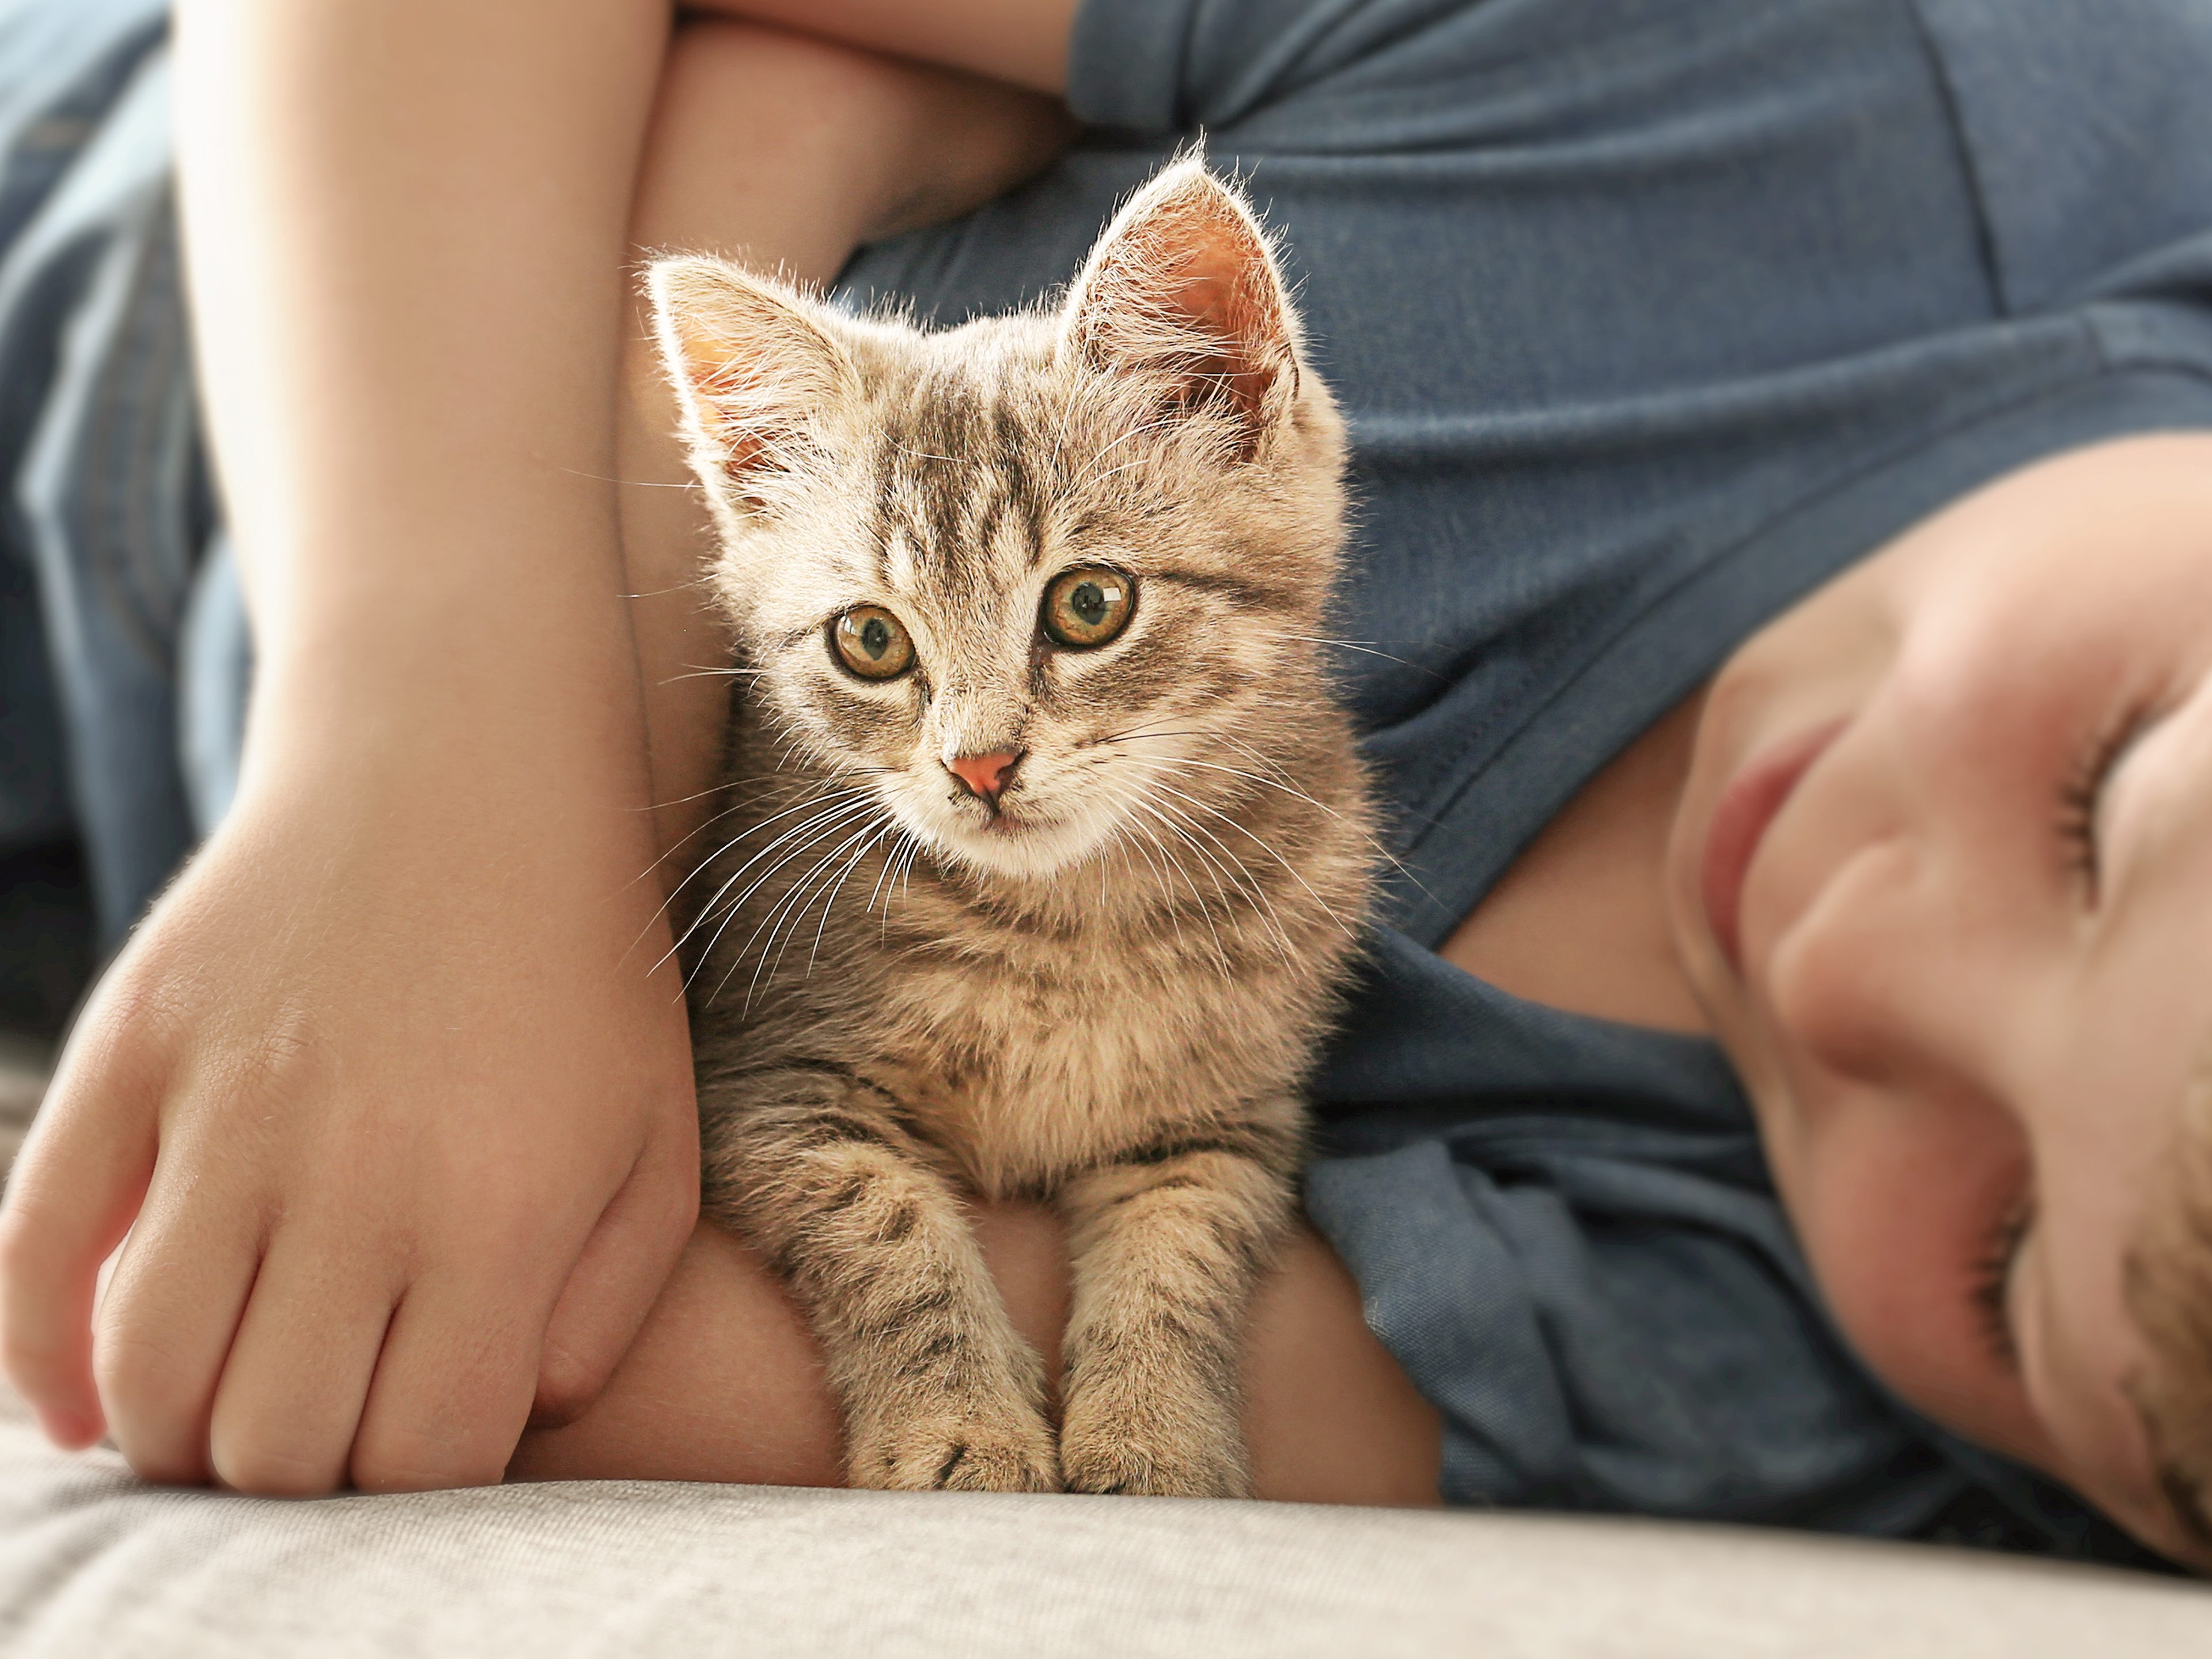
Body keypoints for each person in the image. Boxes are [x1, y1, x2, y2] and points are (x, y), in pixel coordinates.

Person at [1, 0, 2209, 1569]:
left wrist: (795, 118)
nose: (1860, 962)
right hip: (137, 236)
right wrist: (453, 751)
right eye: (2115, 801)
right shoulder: (1860, 85)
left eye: (2010, 1249)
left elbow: (481, 1330)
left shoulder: (1748, 1333)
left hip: (107, 893)